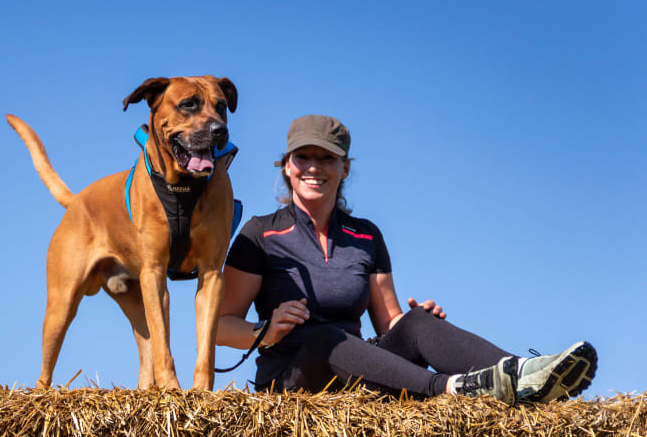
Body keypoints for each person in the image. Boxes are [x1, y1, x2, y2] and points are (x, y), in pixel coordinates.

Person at [216, 115, 597, 404]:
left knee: (415, 322)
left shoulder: (366, 235)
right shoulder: (260, 234)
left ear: (345, 168)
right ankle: (451, 389)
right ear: (287, 164)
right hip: (292, 380)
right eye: (303, 157)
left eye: (327, 158)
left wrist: (420, 325)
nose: (314, 167)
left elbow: (388, 322)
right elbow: (218, 327)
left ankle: (525, 376)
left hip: (355, 375)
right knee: (325, 335)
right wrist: (264, 330)